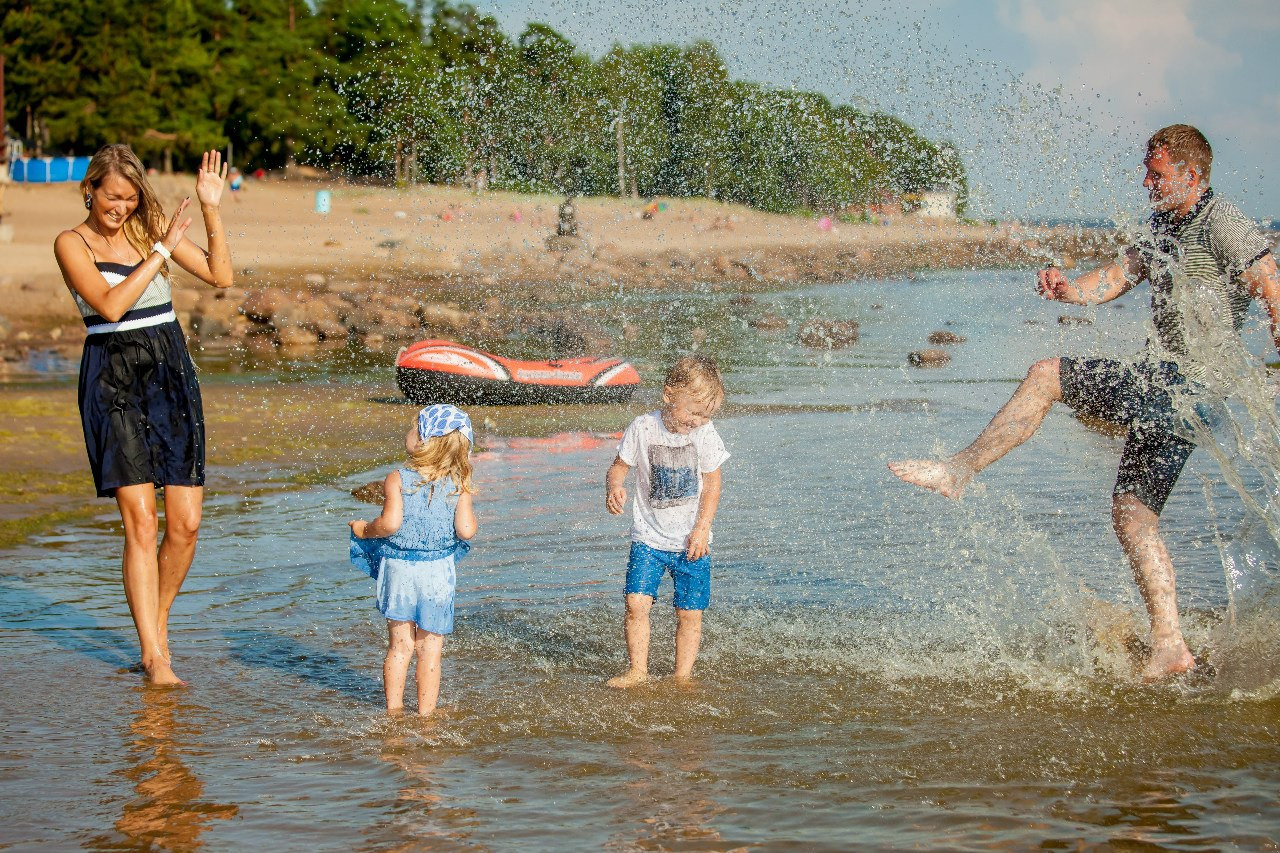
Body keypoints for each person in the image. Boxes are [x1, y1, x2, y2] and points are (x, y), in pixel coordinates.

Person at [889, 124, 1280, 681]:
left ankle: (959, 469)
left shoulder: (1223, 222)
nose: (1147, 181)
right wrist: (1071, 289)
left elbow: (1268, 276)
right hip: (1180, 393)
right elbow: (1122, 274)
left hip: (1186, 386)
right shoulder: (1165, 222)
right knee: (1132, 514)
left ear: (1191, 175)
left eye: (1157, 173)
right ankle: (1170, 645)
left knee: (1047, 376)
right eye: (1147, 171)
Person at [53, 145, 233, 685]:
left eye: (131, 198)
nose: (122, 207)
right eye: (113, 196)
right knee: (141, 520)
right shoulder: (71, 242)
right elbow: (109, 305)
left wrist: (210, 207)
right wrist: (159, 250)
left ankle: (156, 626)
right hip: (112, 375)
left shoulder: (147, 226)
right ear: (90, 189)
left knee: (186, 525)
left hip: (170, 369)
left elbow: (220, 275)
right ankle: (155, 657)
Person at [605, 356, 730, 687]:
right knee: (636, 603)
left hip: (693, 540)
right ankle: (638, 670)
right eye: (692, 412)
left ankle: (682, 677)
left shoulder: (704, 434)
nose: (697, 421)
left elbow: (714, 483)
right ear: (668, 394)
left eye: (705, 416)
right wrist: (614, 486)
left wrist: (702, 529)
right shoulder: (643, 427)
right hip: (647, 537)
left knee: (689, 613)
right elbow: (619, 466)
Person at [350, 404, 477, 716]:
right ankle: (426, 716)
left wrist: (364, 530)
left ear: (424, 440)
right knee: (430, 650)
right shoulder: (460, 483)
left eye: (414, 427)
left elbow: (390, 525)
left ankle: (393, 712)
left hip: (401, 571)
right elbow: (467, 530)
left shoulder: (397, 478)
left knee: (400, 646)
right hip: (437, 572)